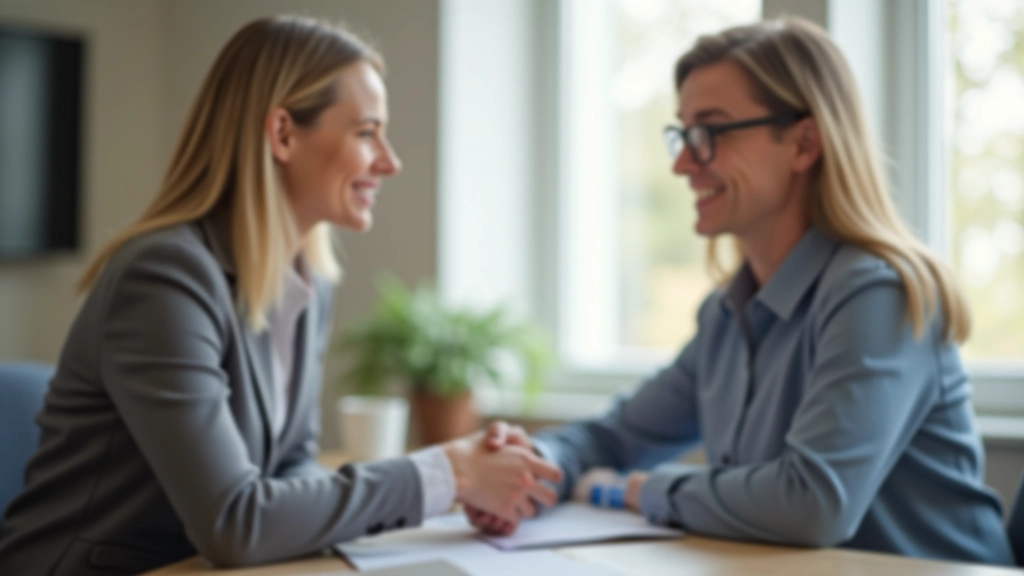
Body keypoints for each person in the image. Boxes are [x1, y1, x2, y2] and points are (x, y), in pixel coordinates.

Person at [0, 16, 560, 574]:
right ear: (283, 134)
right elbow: (234, 522)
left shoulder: (306, 282)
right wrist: (448, 474)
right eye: (366, 132)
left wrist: (459, 482)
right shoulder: (164, 276)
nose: (389, 161)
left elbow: (290, 468)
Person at [471, 17, 1016, 566]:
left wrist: (633, 490)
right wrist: (531, 467)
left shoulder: (878, 294)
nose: (683, 163)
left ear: (804, 143)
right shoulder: (728, 314)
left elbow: (811, 503)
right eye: (682, 134)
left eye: (710, 132)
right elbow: (614, 437)